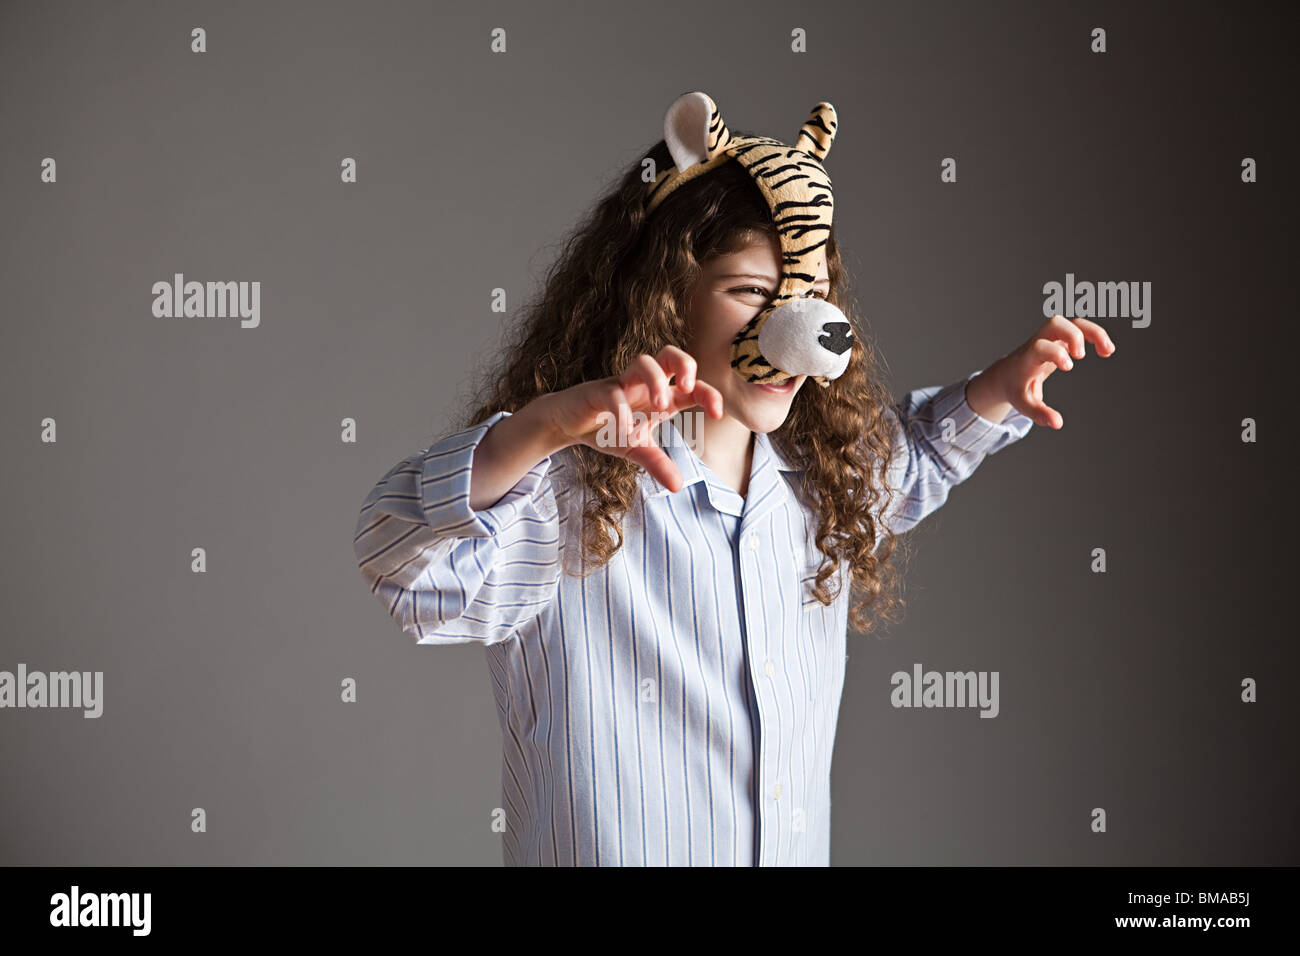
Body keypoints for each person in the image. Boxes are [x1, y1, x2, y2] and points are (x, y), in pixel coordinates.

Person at [352, 92, 1115, 866]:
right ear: (660, 297)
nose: (798, 329)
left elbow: (912, 459)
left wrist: (997, 390)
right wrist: (544, 427)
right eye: (751, 291)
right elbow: (402, 562)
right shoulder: (567, 494)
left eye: (810, 295)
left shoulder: (822, 481)